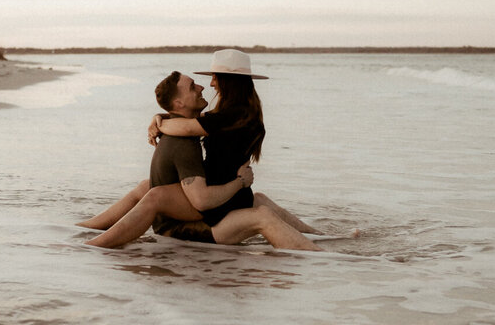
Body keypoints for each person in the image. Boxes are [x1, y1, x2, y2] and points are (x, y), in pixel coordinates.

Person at [81, 50, 320, 250]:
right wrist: (158, 116)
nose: (211, 83)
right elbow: (192, 122)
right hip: (225, 193)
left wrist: (159, 122)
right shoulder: (237, 113)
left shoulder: (231, 115)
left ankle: (96, 244)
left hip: (220, 201)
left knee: (155, 195)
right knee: (148, 186)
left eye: (215, 77)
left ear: (228, 81)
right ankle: (319, 236)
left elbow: (188, 127)